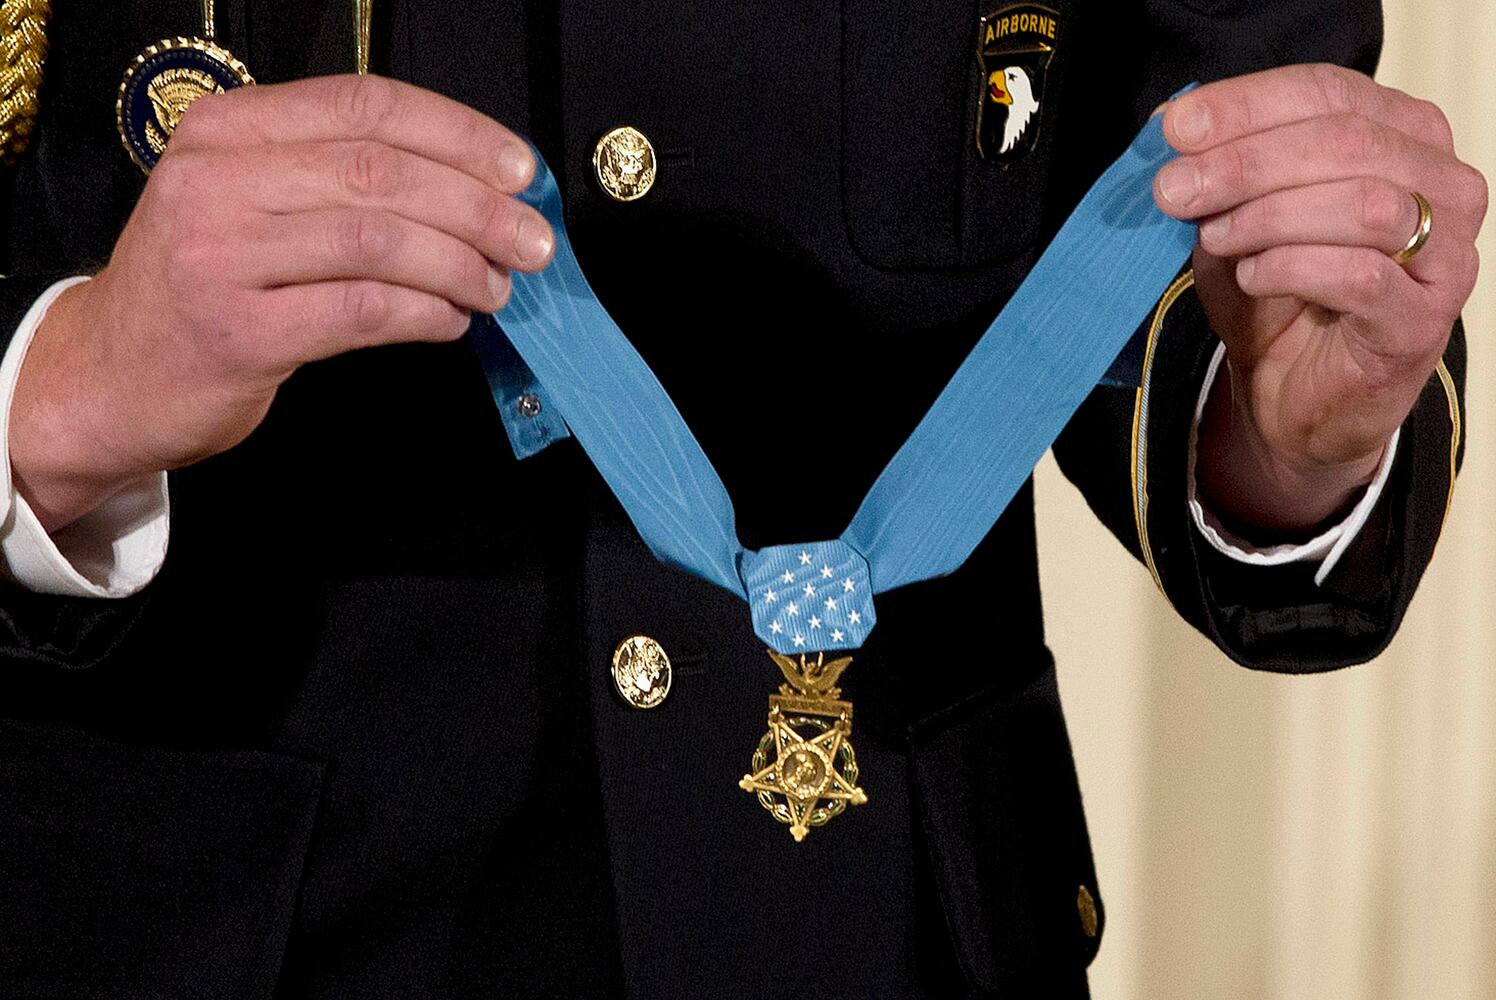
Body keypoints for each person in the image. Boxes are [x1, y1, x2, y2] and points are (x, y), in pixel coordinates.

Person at [0, 0, 1483, 997]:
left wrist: (1286, 440)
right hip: (183, 919)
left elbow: (1207, 214)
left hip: (891, 927)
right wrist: (59, 392)